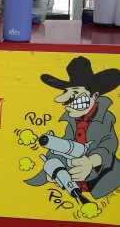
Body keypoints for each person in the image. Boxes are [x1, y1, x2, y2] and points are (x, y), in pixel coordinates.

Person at [25, 56, 120, 199]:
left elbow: (108, 145)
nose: (65, 101)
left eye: (75, 93)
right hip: (75, 185)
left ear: (94, 95)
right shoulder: (72, 121)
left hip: (105, 183)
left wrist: (91, 162)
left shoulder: (105, 118)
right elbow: (67, 145)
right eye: (66, 92)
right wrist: (52, 168)